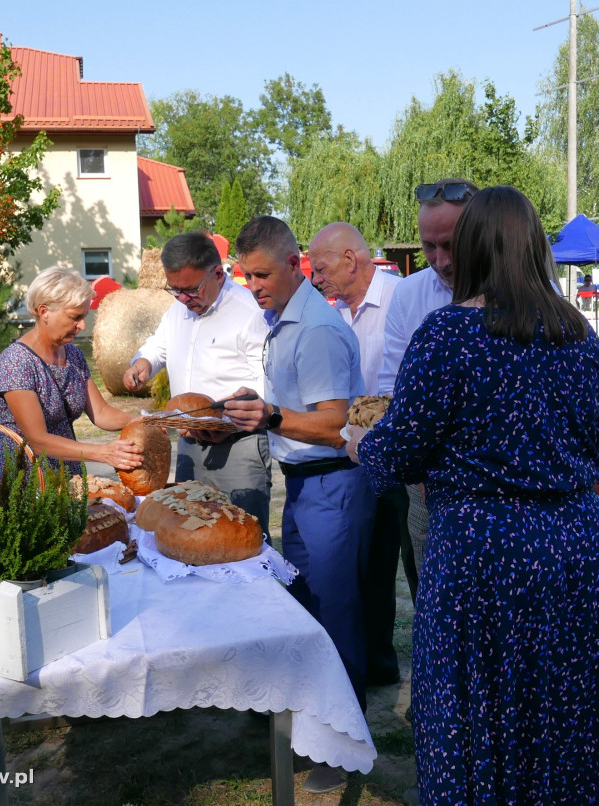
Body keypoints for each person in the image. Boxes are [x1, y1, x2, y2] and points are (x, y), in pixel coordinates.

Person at [350, 186, 599, 805]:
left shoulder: (449, 333)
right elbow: (595, 434)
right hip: (575, 544)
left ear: (471, 245)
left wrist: (359, 444)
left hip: (484, 551)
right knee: (565, 708)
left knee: (478, 712)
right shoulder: (579, 336)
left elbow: (398, 453)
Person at [223, 216, 375, 795]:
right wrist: (256, 408)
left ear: (295, 265)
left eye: (262, 274)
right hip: (306, 483)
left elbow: (337, 422)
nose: (253, 284)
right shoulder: (281, 321)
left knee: (337, 617)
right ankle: (316, 729)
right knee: (311, 611)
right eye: (246, 275)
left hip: (334, 483)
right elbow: (292, 408)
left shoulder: (314, 329)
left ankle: (344, 745)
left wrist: (272, 416)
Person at [309, 222, 406, 688]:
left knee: (420, 565)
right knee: (373, 559)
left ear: (350, 260)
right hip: (360, 455)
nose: (316, 277)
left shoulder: (401, 300)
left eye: (322, 267)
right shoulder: (336, 314)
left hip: (410, 453)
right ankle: (376, 661)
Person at [122, 232, 272, 532]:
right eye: (174, 289)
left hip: (238, 448)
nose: (182, 298)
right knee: (188, 532)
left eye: (190, 290)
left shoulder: (250, 312)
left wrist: (231, 418)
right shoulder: (179, 307)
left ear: (218, 273)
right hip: (190, 445)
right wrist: (142, 363)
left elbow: (266, 383)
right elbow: (158, 346)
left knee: (240, 536)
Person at [377, 178, 478, 602]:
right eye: (429, 246)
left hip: (504, 492)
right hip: (426, 489)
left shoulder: (530, 292)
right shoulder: (410, 293)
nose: (440, 259)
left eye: (451, 245)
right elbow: (391, 386)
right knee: (433, 602)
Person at [0, 266, 143, 475]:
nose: (82, 326)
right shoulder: (16, 362)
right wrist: (102, 453)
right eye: (75, 317)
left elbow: (101, 413)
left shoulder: (74, 356)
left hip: (65, 468)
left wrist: (140, 420)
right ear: (44, 312)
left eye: (84, 317)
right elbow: (38, 441)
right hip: (22, 475)